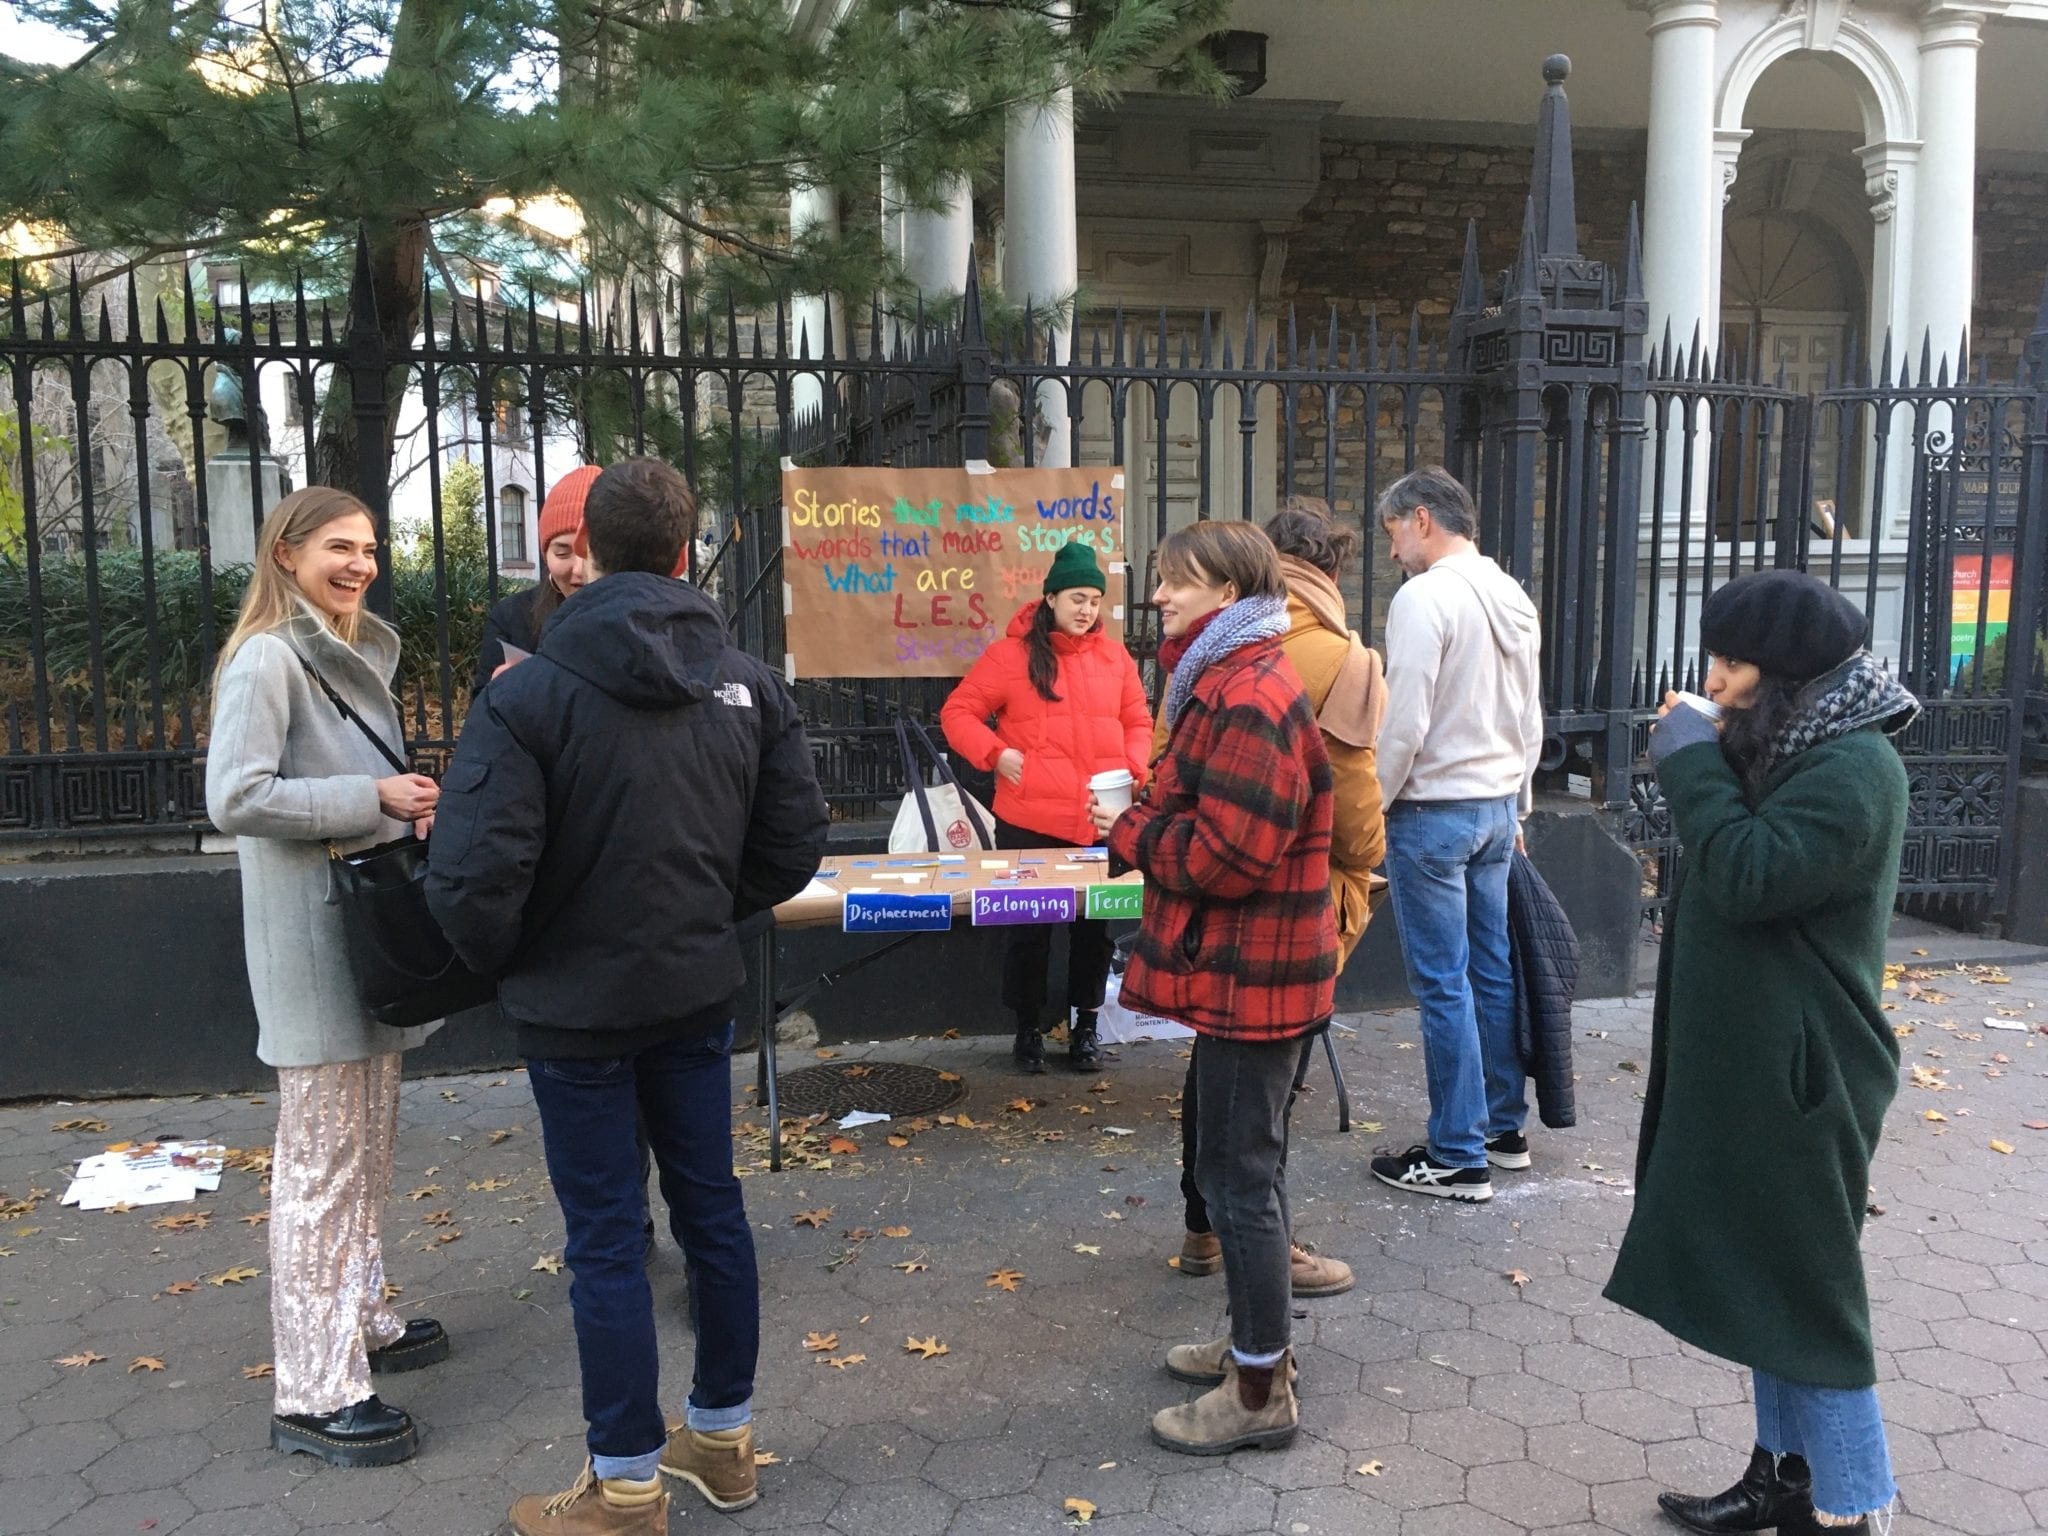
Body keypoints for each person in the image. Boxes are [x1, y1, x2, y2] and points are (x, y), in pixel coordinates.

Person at [425, 458, 830, 1535]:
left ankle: (630, 1485)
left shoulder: (527, 697)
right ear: (686, 553)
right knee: (712, 1213)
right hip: (692, 995)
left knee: (606, 1240)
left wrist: (526, 956)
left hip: (577, 1015)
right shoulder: (747, 682)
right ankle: (723, 1440)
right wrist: (701, 909)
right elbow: (790, 845)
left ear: (584, 556)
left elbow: (470, 880)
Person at [1606, 569, 1916, 1536]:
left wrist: (1694, 759)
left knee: (1809, 1300)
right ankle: (1783, 1479)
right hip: (1764, 1066)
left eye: (1732, 663)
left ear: (1783, 676)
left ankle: (1854, 1507)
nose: (1715, 677)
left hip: (1805, 1076)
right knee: (1770, 1289)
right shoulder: (1799, 742)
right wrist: (1711, 745)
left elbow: (1747, 875)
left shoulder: (1855, 770)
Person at [205, 487, 450, 1469]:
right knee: (317, 1172)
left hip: (364, 939)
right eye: (339, 548)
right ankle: (312, 1391)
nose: (360, 564)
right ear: (286, 556)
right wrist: (372, 796)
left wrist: (404, 809)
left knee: (365, 1158)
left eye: (370, 549)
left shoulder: (352, 651)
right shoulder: (269, 659)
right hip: (315, 949)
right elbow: (235, 794)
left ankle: (360, 1319)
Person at [1089, 520, 1338, 1456]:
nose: (1158, 597)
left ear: (1227, 595)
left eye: (1175, 582)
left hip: (1255, 977)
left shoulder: (1248, 692)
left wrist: (1127, 830)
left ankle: (1260, 1387)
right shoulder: (1224, 679)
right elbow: (1207, 813)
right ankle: (1252, 1349)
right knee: (1241, 1172)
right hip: (1252, 969)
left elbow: (1226, 856)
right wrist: (1147, 807)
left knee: (1237, 1181)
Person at [1165, 498, 1387, 1297]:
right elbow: (1355, 805)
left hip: (1204, 902)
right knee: (1263, 1105)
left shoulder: (1200, 658)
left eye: (1171, 581)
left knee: (1219, 1077)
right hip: (1293, 899)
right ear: (1331, 568)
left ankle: (1206, 1233)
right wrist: (1364, 869)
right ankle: (1262, 1334)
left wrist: (1151, 838)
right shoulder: (1334, 655)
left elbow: (1169, 769)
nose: (1160, 596)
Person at [1367, 467, 1542, 1202]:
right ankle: (1502, 1129)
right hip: (1497, 805)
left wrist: (1373, 803)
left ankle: (1457, 1154)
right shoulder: (1510, 593)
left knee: (1443, 983)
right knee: (1490, 972)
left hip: (1433, 809)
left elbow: (1404, 720)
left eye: (1393, 533)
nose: (1393, 551)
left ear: (1421, 519)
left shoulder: (1424, 598)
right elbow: (1531, 710)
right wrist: (1522, 801)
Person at [940, 540, 1152, 1072]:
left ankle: (1085, 1028)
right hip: (1029, 824)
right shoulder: (1009, 656)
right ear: (1051, 597)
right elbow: (959, 711)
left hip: (1101, 825)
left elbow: (1138, 722)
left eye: (1095, 600)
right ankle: (1027, 1029)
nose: (1087, 609)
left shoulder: (1115, 658)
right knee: (1029, 934)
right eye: (1078, 597)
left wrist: (1134, 765)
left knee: (1095, 934)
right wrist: (995, 753)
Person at [472, 465, 599, 696]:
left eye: (592, 552)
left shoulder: (643, 616)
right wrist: (499, 693)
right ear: (545, 554)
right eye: (562, 553)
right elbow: (480, 711)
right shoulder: (512, 617)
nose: (579, 569)